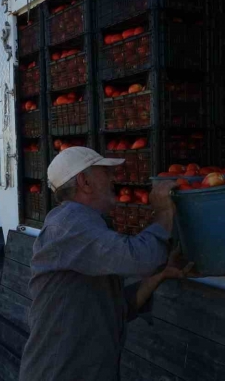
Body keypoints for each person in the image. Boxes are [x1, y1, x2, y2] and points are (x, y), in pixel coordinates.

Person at [18, 147, 192, 381]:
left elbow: (117, 308)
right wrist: (162, 210)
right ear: (85, 181)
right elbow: (142, 258)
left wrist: (157, 277)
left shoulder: (83, 225)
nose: (114, 178)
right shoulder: (71, 226)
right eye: (105, 172)